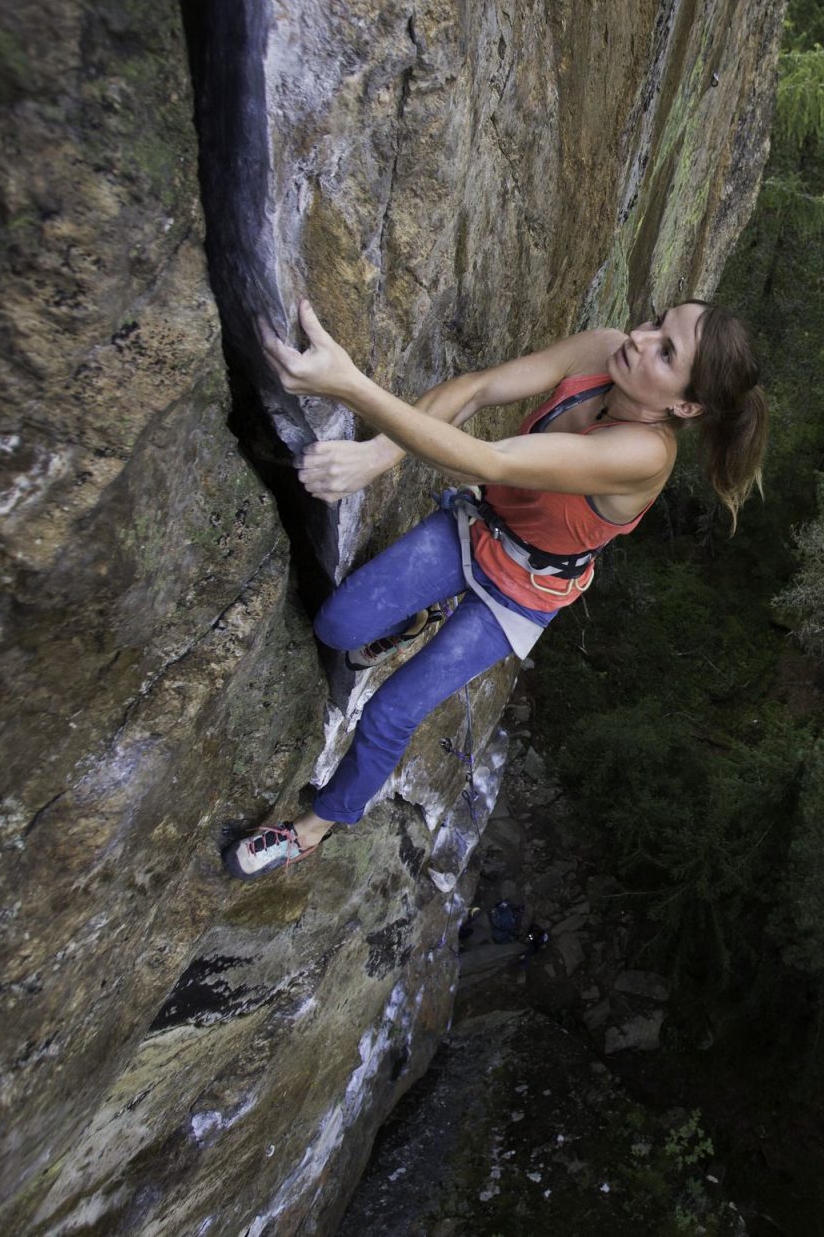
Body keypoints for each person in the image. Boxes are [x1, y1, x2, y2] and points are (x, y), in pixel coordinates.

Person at [224, 297, 767, 878]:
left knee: (391, 713)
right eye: (656, 322)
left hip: (521, 592)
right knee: (337, 627)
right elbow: (479, 388)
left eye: (666, 350)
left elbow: (492, 458)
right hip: (479, 526)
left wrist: (349, 386)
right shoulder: (601, 350)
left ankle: (315, 827)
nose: (638, 337)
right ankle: (410, 623)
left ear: (685, 404)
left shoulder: (643, 453)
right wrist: (379, 453)